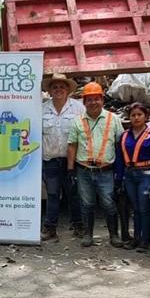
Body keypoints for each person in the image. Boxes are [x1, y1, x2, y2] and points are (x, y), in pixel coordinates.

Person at [67, 82, 124, 247]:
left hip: (106, 171)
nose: (93, 102)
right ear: (84, 102)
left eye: (96, 99)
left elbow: (120, 145)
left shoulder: (114, 119)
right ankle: (88, 235)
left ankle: (114, 235)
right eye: (89, 99)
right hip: (84, 170)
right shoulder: (77, 121)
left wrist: (120, 170)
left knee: (108, 203)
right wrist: (71, 169)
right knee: (86, 203)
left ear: (102, 100)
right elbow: (72, 145)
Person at [41, 73, 86, 241]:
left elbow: (84, 134)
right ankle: (50, 228)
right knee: (52, 194)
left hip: (71, 161)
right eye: (54, 87)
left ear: (68, 90)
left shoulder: (78, 108)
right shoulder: (42, 109)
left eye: (62, 87)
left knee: (73, 193)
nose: (58, 90)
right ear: (50, 91)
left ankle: (78, 225)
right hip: (50, 160)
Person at [114, 103, 150, 252]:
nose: (136, 118)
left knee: (144, 208)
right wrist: (118, 179)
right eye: (133, 115)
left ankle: (144, 240)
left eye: (139, 115)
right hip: (129, 175)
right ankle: (135, 238)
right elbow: (120, 159)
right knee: (135, 208)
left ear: (146, 117)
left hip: (145, 175)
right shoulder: (124, 136)